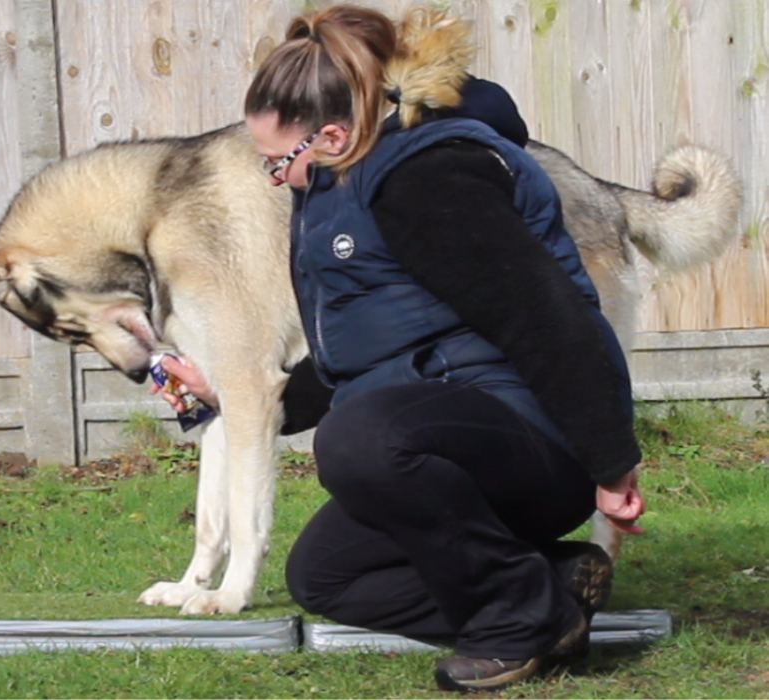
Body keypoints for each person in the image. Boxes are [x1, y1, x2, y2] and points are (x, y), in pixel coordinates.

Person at [152, 4, 645, 692]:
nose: (272, 178)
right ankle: (549, 592)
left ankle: (513, 618)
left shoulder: (431, 175)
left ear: (329, 132)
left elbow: (547, 316)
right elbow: (363, 349)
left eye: (274, 162)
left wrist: (611, 460)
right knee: (327, 574)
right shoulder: (333, 187)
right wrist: (235, 397)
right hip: (445, 441)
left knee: (359, 440)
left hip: (533, 442)